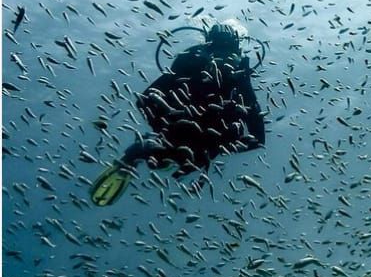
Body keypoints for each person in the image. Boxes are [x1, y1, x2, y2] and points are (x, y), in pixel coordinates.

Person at [90, 22, 265, 205]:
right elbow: (258, 139)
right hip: (196, 147)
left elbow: (145, 99)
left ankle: (142, 152)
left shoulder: (195, 63)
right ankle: (148, 151)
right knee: (165, 158)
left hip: (181, 141)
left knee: (159, 156)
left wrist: (163, 128)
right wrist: (219, 147)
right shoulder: (224, 72)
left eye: (228, 57)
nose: (221, 64)